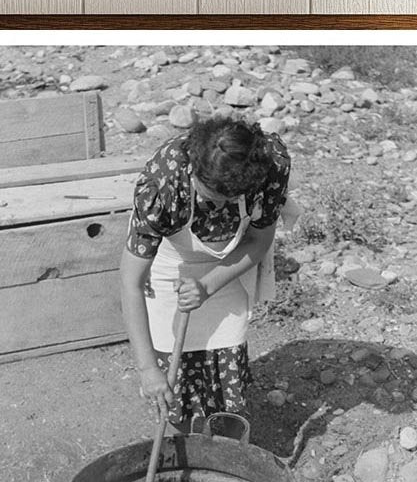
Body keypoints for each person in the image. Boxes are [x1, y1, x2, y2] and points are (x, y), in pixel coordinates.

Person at [119, 115, 293, 433]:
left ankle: (225, 437)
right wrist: (147, 370)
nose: (219, 204)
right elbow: (131, 283)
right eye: (212, 195)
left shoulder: (270, 165)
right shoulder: (164, 181)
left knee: (226, 359)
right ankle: (185, 436)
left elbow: (260, 240)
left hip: (232, 259)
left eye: (229, 199)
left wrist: (206, 286)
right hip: (170, 260)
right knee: (173, 374)